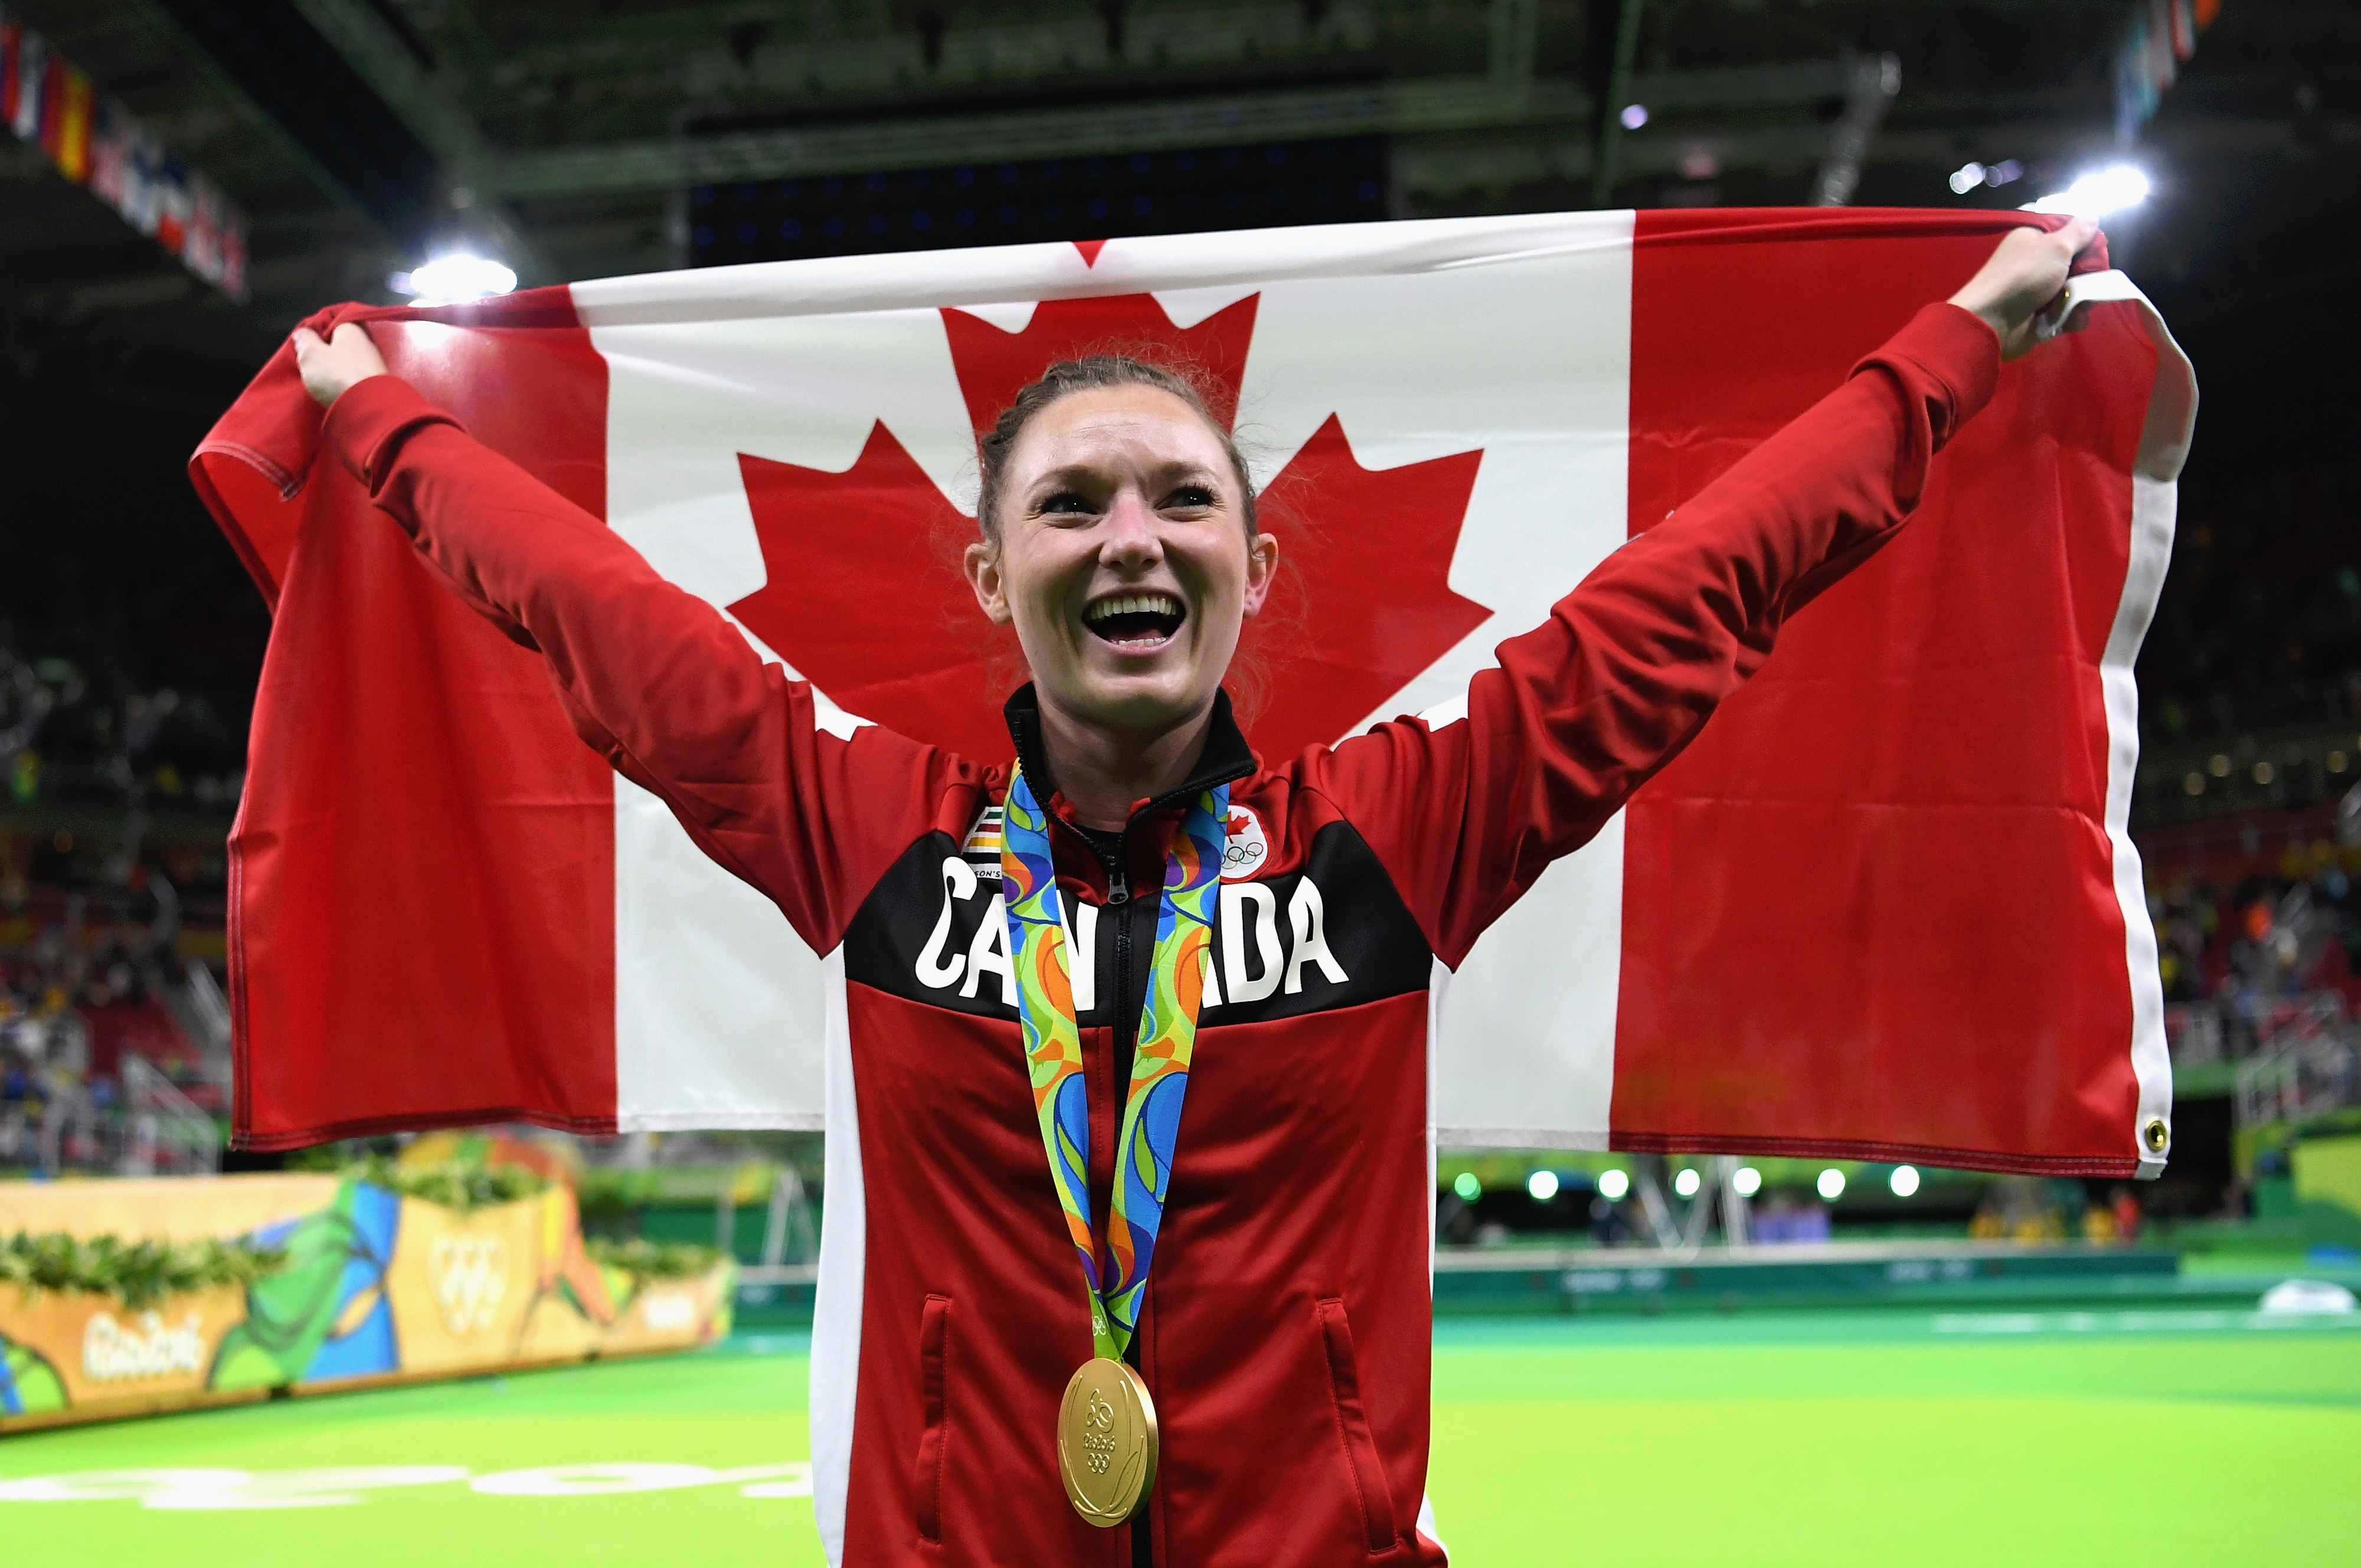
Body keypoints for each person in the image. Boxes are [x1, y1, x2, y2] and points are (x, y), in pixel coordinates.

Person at [291, 218, 2099, 1567]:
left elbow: (1703, 583)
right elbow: (600, 616)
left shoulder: (1398, 832)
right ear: (992, 574)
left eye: (1181, 500)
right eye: (1073, 506)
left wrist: (1955, 343)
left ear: (1256, 559)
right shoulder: (876, 840)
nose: (1132, 537)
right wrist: (381, 423)